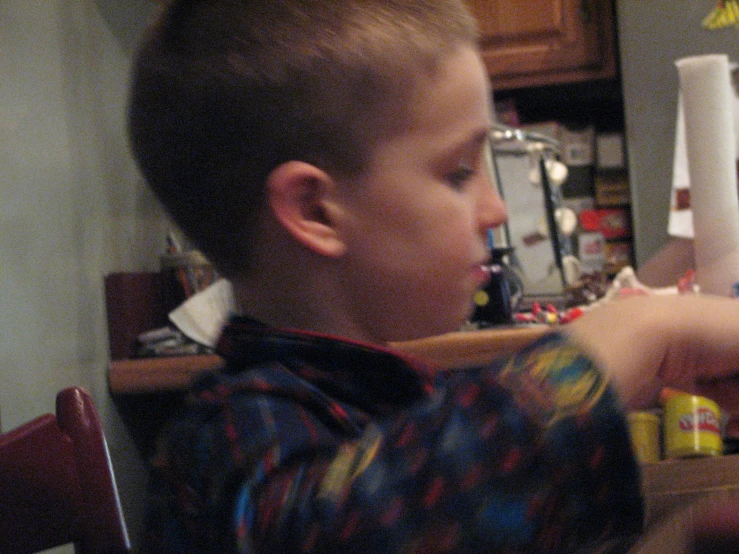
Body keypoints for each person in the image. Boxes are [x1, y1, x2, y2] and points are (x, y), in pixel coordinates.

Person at [127, 1, 739, 552]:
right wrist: (638, 329)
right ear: (316, 212)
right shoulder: (232, 433)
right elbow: (359, 529)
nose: (497, 209)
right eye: (457, 173)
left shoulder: (395, 405)